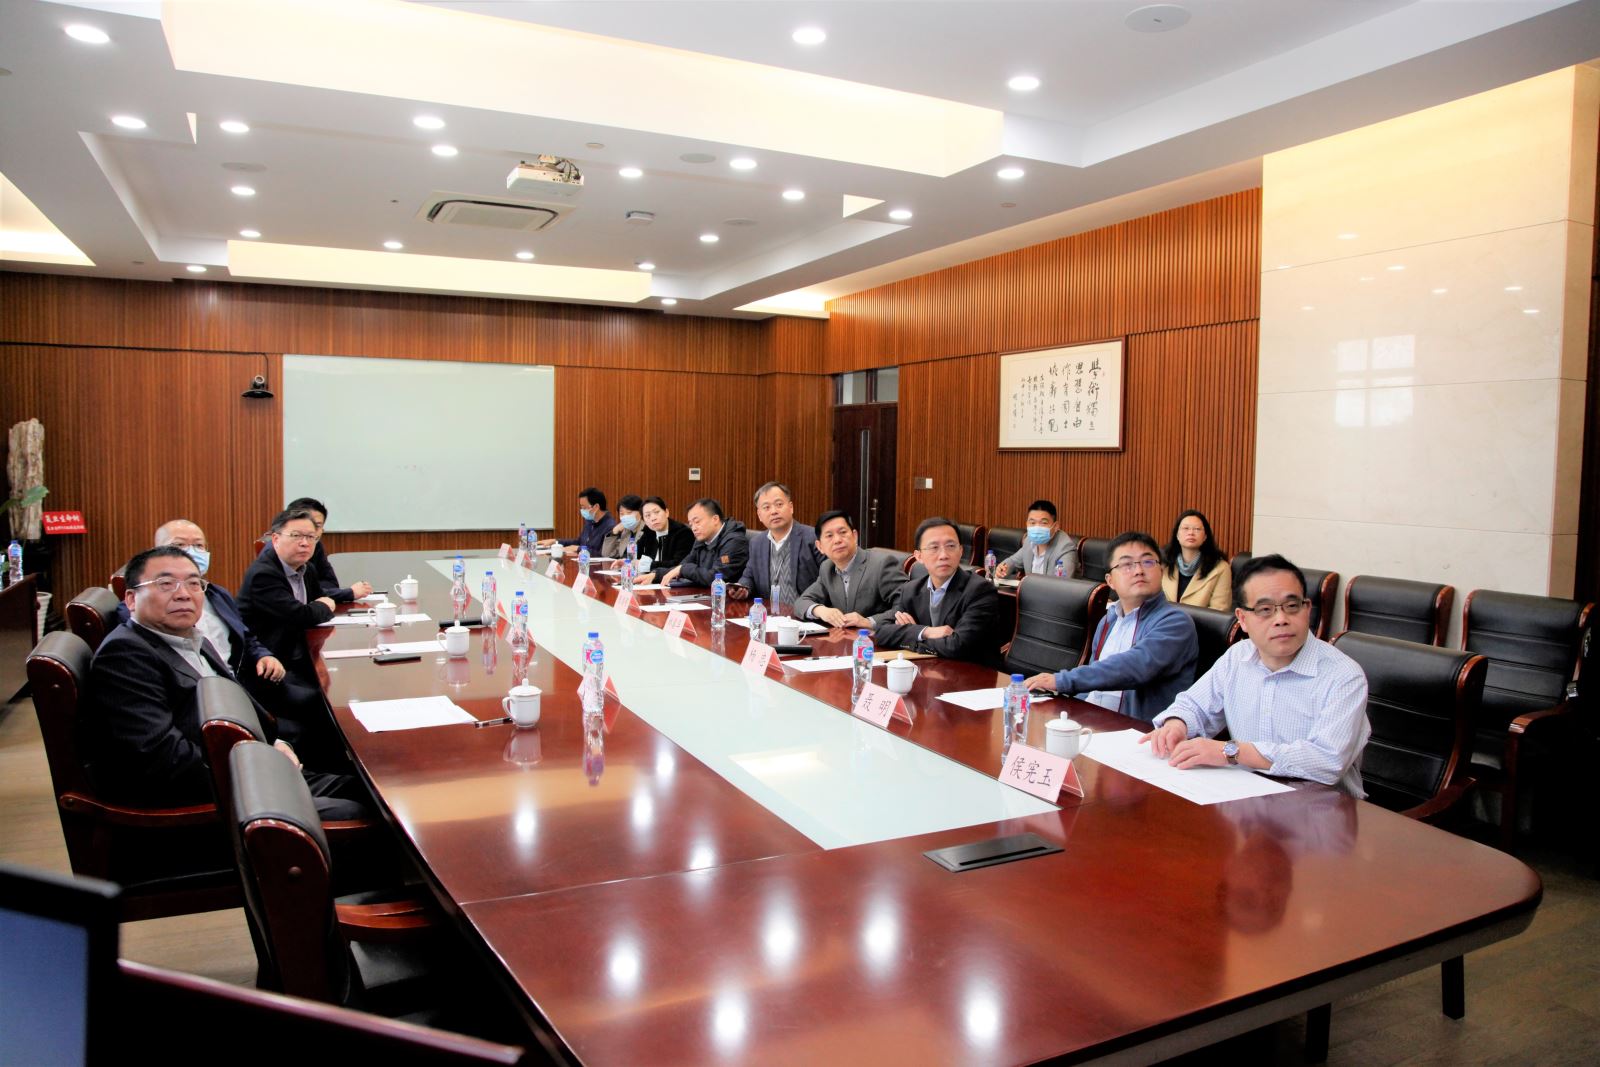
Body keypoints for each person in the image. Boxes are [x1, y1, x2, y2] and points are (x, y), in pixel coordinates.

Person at [81, 545, 369, 820]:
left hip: (246, 767)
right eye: (166, 584)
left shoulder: (192, 638)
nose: (184, 595)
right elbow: (162, 758)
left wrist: (274, 743)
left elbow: (236, 702)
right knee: (363, 812)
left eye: (194, 584)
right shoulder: (125, 654)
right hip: (218, 793)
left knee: (370, 792)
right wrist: (261, 768)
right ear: (131, 599)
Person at [1143, 554, 1371, 797]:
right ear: (1242, 619)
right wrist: (1177, 724)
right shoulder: (1238, 657)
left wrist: (1231, 752)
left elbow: (1326, 761)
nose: (1281, 620)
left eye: (1292, 606)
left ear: (1307, 609)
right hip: (1245, 798)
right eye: (1265, 610)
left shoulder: (1343, 676)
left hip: (1322, 808)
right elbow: (1194, 706)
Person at [115, 520, 328, 747]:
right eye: (166, 583)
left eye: (199, 546)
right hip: (215, 713)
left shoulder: (216, 595)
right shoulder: (135, 635)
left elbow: (245, 636)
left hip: (244, 682)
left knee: (322, 703)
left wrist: (263, 654)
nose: (183, 595)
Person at [1024, 531, 1198, 721]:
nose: (1139, 570)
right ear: (1110, 581)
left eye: (1148, 562)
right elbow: (1094, 680)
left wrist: (1061, 681)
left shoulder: (1176, 623)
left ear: (1161, 571)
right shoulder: (1109, 620)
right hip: (1094, 721)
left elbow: (1132, 667)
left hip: (1136, 731)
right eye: (1126, 564)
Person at [871, 517, 1002, 664]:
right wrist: (926, 631)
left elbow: (957, 646)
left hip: (973, 673)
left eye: (951, 546)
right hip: (930, 668)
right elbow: (881, 632)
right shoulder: (911, 589)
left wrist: (910, 636)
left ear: (961, 551)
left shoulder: (980, 590)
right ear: (919, 556)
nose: (943, 555)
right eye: (934, 548)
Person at [237, 507, 339, 688]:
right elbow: (301, 615)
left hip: (299, 653)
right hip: (270, 666)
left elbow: (319, 600)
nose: (305, 543)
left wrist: (320, 606)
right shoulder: (263, 574)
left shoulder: (307, 568)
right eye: (296, 536)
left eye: (311, 537)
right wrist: (323, 607)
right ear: (275, 539)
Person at [794, 510, 908, 629]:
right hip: (846, 637)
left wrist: (869, 622)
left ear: (854, 536)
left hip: (878, 638)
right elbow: (801, 602)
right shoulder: (827, 568)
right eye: (829, 536)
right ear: (820, 546)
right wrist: (821, 610)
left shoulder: (881, 564)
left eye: (843, 532)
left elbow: (906, 606)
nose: (837, 540)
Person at [729, 482, 822, 606]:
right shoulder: (757, 543)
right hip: (769, 613)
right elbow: (749, 575)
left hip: (805, 614)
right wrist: (743, 589)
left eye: (779, 504)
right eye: (766, 507)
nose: (773, 511)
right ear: (759, 515)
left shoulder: (812, 537)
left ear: (791, 507)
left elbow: (827, 579)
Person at [286, 496, 373, 603]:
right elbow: (303, 594)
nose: (312, 530)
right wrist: (349, 593)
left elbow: (331, 583)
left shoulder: (316, 545)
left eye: (317, 525)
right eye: (307, 524)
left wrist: (320, 591)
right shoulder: (277, 555)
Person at [661, 498, 749, 587]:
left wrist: (683, 569)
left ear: (715, 519)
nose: (693, 528)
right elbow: (682, 566)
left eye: (697, 522)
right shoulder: (702, 539)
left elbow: (715, 578)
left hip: (724, 594)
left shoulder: (735, 542)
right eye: (691, 524)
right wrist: (656, 574)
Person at [1160, 509, 1232, 610]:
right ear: (1177, 535)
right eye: (1186, 528)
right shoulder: (1163, 563)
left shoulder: (1221, 568)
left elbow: (1219, 611)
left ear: (1205, 536)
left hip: (1200, 621)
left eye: (1197, 529)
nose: (1191, 533)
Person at [993, 500, 1078, 579]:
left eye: (1043, 523)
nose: (1037, 527)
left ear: (1056, 526)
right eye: (1032, 523)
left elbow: (1062, 584)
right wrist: (1002, 569)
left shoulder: (1065, 548)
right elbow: (1013, 561)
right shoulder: (1029, 541)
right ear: (1027, 524)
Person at [537, 487, 616, 558]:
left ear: (596, 507)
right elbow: (579, 542)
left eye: (584, 507)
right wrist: (556, 542)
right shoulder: (590, 521)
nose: (582, 510)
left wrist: (578, 548)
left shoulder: (610, 526)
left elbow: (603, 554)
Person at [636, 496, 693, 582]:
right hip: (648, 579)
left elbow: (679, 564)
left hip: (672, 581)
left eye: (656, 512)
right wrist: (627, 562)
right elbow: (638, 556)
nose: (653, 518)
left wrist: (651, 565)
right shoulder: (648, 532)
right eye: (648, 515)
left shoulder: (683, 533)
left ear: (666, 512)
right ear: (644, 520)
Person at [600, 494, 645, 559]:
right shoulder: (626, 531)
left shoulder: (647, 530)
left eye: (629, 512)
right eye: (622, 514)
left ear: (641, 513)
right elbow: (607, 554)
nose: (625, 516)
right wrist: (614, 533)